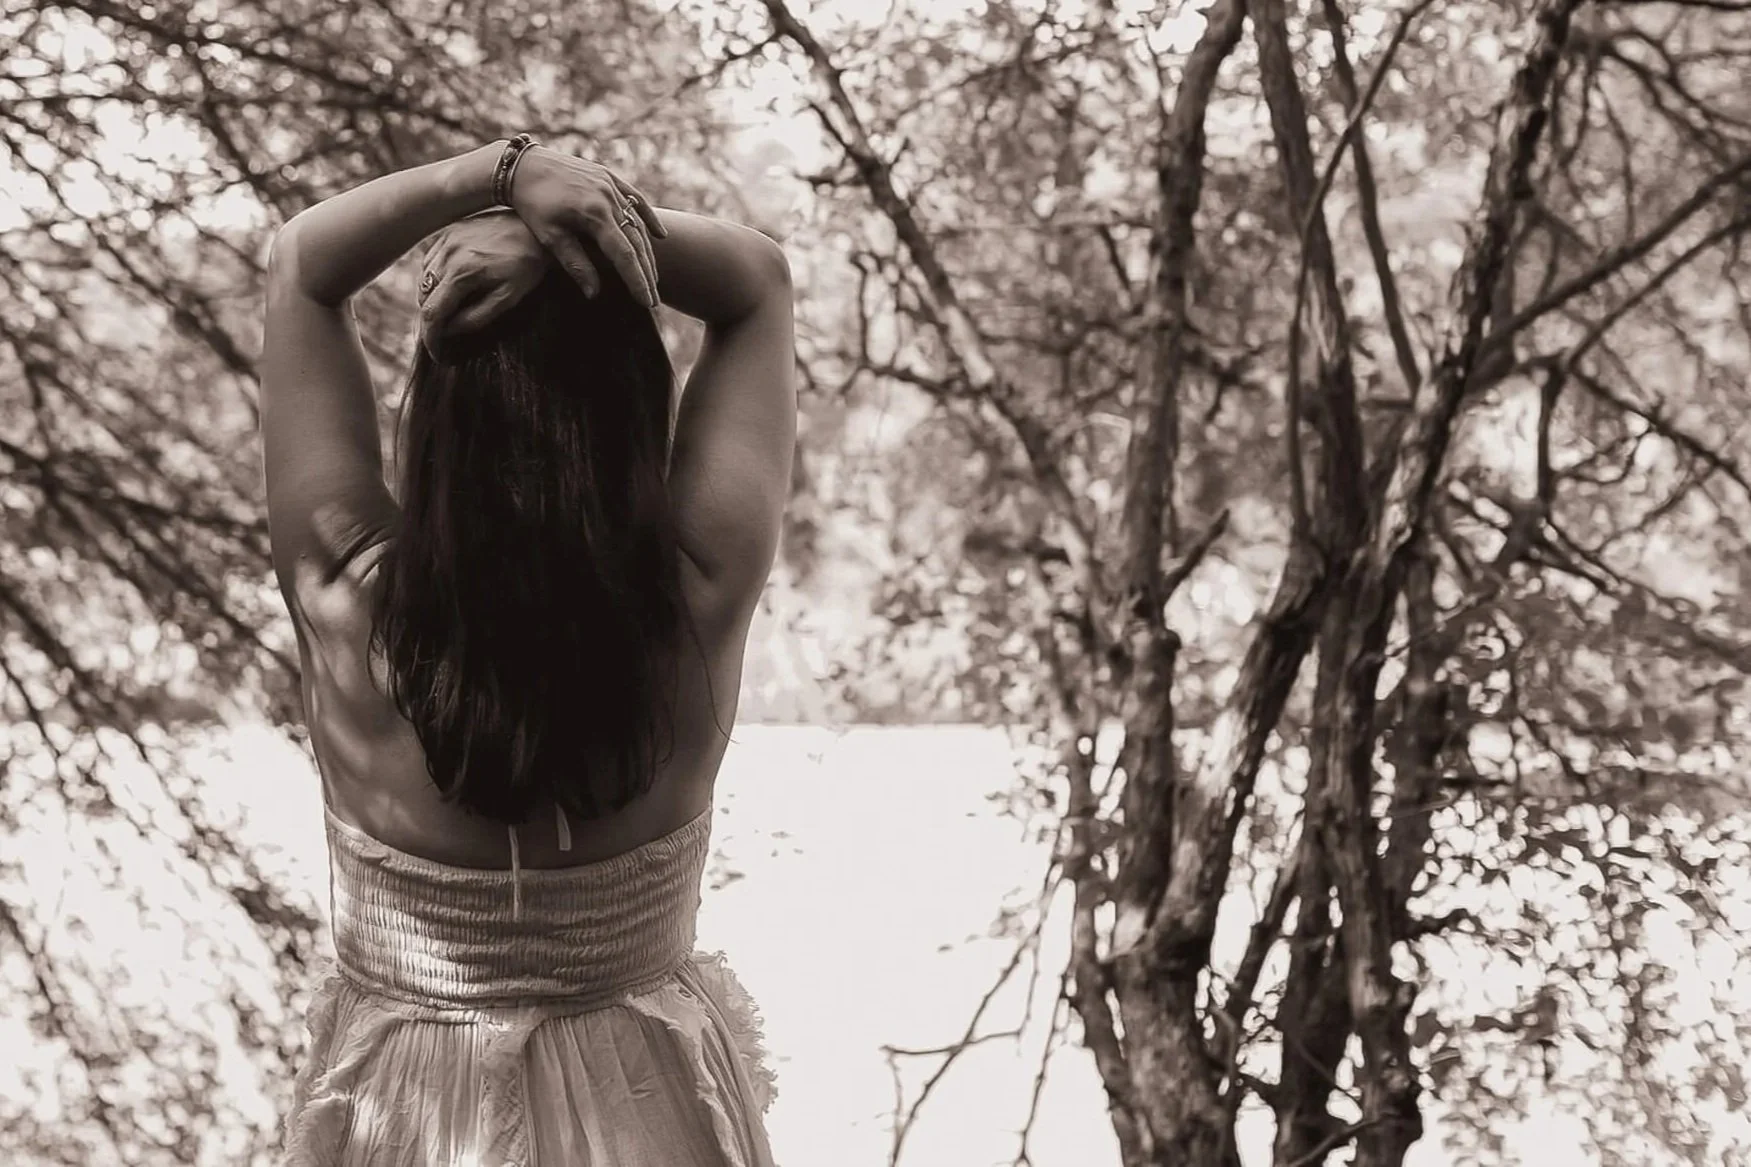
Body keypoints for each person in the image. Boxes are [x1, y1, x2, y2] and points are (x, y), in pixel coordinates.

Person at [257, 133, 796, 1166]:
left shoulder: (343, 597)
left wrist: (504, 178)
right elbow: (757, 282)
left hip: (412, 1127)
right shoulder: (700, 596)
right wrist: (577, 234)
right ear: (636, 409)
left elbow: (300, 265)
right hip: (651, 1113)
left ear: (439, 417)